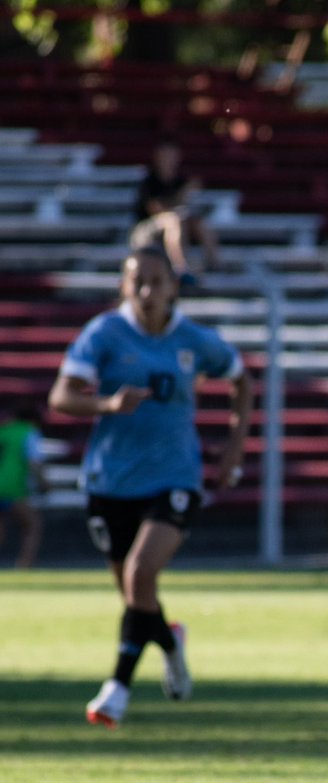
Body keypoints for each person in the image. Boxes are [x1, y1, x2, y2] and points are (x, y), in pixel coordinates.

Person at [48, 245, 252, 729]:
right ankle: (169, 642)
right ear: (124, 285)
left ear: (172, 287)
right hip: (110, 481)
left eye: (156, 281)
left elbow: (240, 380)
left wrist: (233, 448)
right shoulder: (104, 333)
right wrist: (106, 406)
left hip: (175, 477)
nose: (145, 291)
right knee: (135, 594)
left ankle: (116, 688)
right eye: (136, 281)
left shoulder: (195, 339)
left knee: (140, 576)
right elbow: (60, 397)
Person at [130, 139, 220, 281]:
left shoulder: (180, 179)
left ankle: (214, 264)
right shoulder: (149, 181)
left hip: (175, 225)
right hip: (146, 231)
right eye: (165, 155)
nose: (169, 159)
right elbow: (157, 210)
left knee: (198, 223)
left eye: (172, 155)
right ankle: (180, 267)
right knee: (174, 220)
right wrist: (183, 194)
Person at [0, 403, 47, 568]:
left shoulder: (3, 431)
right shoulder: (28, 432)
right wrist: (44, 483)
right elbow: (34, 461)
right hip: (11, 487)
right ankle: (24, 565)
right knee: (32, 525)